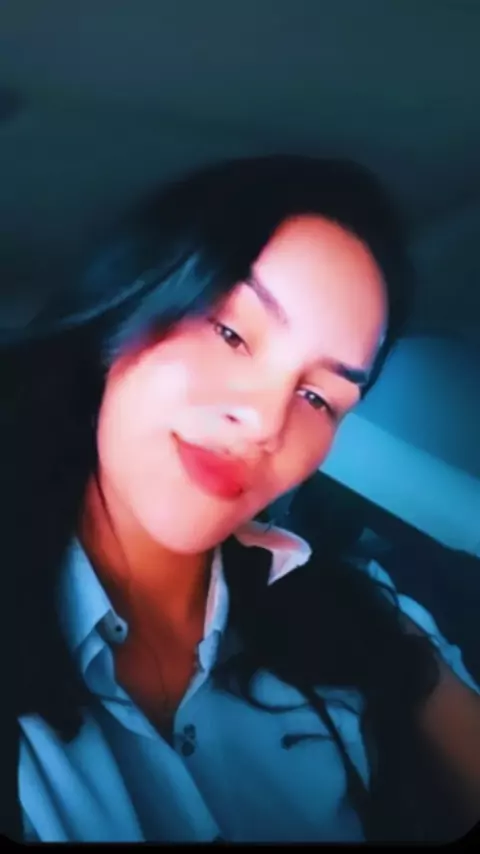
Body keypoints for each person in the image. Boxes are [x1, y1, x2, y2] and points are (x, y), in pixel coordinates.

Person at [2, 155, 479, 843]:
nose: (264, 423)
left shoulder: (370, 621)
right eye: (231, 333)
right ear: (131, 305)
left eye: (317, 397)